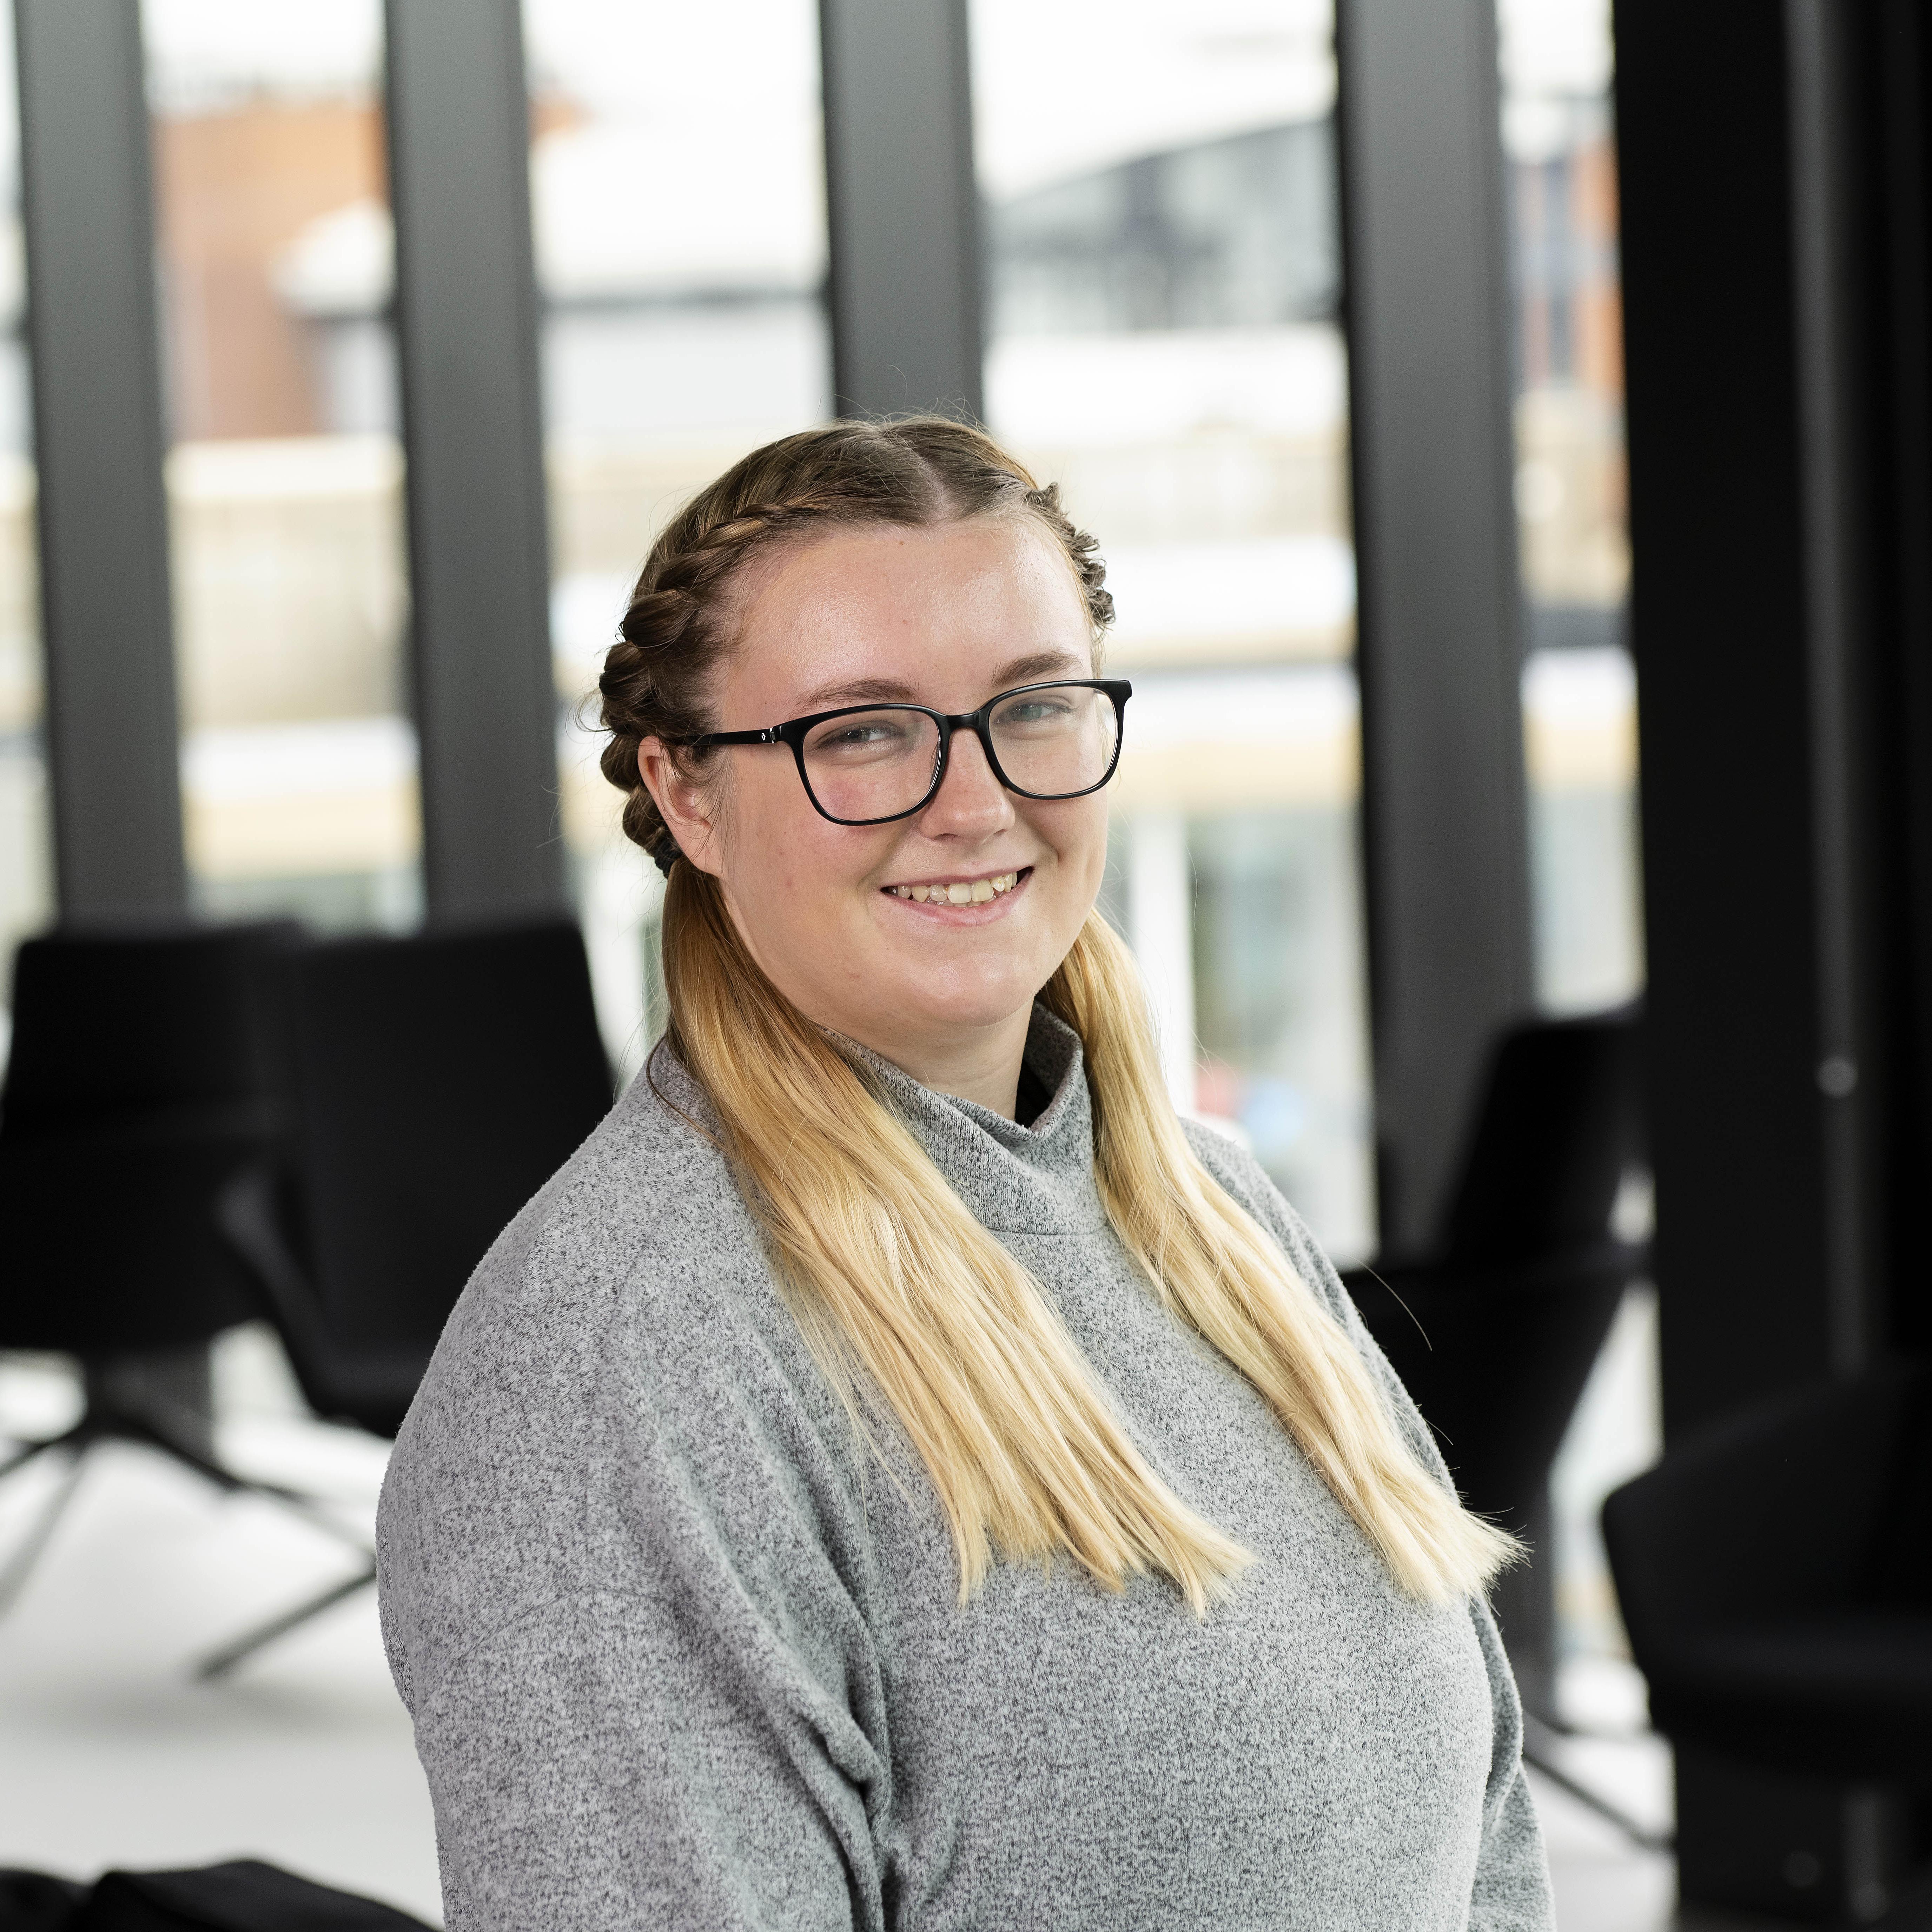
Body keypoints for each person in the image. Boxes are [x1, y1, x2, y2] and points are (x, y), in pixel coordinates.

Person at [376, 418, 1554, 1932]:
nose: (974, 800)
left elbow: (1479, 1821)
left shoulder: (1207, 1209)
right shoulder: (621, 1359)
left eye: (1031, 705)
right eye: (860, 729)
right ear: (686, 796)